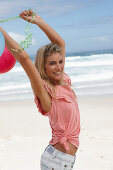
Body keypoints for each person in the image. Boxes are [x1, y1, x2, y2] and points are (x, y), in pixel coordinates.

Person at [0, 10, 80, 170]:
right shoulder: (46, 91)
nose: (59, 67)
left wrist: (38, 21)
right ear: (43, 66)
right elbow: (24, 58)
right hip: (56, 162)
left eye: (61, 62)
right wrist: (1, 30)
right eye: (52, 63)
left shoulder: (64, 82)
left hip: (64, 160)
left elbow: (61, 43)